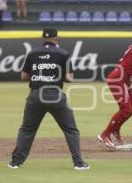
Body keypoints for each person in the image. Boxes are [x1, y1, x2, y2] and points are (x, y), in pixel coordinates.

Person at [8, 28, 89, 170]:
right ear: (57, 38)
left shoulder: (32, 53)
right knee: (71, 130)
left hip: (35, 95)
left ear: (42, 38)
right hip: (55, 96)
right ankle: (79, 163)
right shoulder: (63, 53)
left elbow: (23, 77)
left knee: (27, 130)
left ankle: (15, 163)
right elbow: (70, 78)